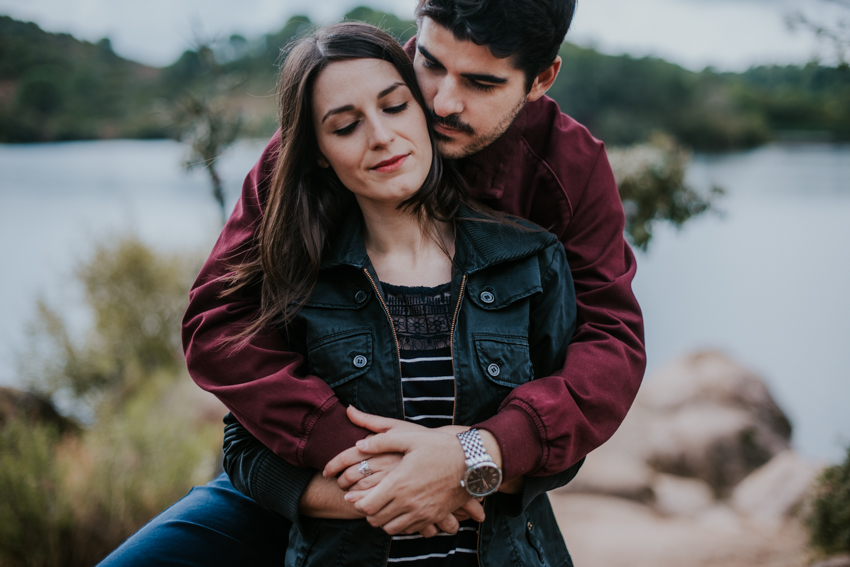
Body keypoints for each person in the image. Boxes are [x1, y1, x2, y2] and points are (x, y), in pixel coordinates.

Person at [101, 20, 581, 566]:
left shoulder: (529, 260)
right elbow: (245, 450)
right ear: (318, 153)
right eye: (346, 125)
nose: (380, 136)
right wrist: (385, 495)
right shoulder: (296, 277)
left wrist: (469, 467)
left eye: (395, 107)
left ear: (424, 115)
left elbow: (562, 447)